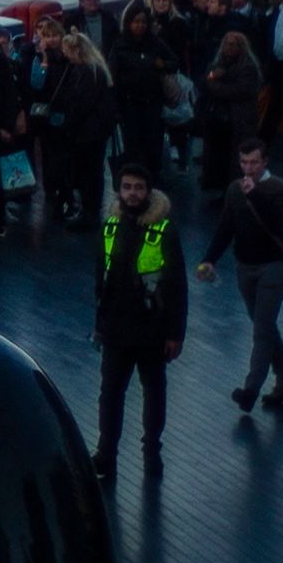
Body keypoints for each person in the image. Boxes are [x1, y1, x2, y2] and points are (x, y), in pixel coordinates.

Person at [86, 167, 184, 479]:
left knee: (153, 393)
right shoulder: (110, 227)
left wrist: (175, 334)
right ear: (119, 190)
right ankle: (106, 454)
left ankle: (151, 451)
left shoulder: (165, 231)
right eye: (127, 187)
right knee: (110, 395)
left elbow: (177, 286)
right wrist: (100, 325)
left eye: (138, 187)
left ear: (148, 191)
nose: (132, 193)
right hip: (116, 330)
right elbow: (101, 281)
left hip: (152, 331)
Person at [209, 140, 283, 416]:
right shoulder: (234, 189)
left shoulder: (279, 189)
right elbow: (226, 227)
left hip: (273, 268)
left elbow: (276, 224)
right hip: (245, 267)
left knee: (262, 329)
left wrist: (255, 195)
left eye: (253, 162)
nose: (248, 168)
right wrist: (210, 258)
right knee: (266, 327)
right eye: (244, 162)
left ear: (265, 162)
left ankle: (250, 389)